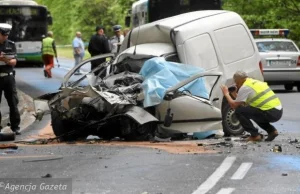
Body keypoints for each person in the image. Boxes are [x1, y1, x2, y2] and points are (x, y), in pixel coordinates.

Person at [220, 71, 283, 142]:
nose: (236, 85)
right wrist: (234, 94)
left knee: (239, 111)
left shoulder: (245, 87)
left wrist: (226, 94)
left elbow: (234, 105)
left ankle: (255, 135)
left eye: (236, 83)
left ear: (239, 80)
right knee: (252, 112)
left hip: (270, 112)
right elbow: (244, 104)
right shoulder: (254, 82)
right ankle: (272, 131)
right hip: (277, 111)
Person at [0, 23, 21, 135]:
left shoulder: (11, 45)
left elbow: (14, 61)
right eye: (3, 35)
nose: (5, 37)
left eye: (7, 35)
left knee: (13, 103)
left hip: (8, 77)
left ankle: (15, 127)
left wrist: (6, 60)